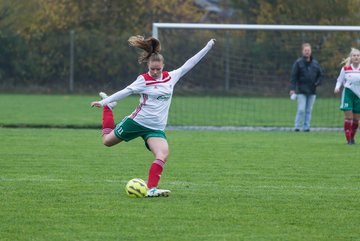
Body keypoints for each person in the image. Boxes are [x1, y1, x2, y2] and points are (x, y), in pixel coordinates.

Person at [91, 36, 216, 197]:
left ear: (163, 66)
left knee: (163, 153)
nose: (155, 72)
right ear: (148, 66)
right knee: (107, 141)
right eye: (152, 69)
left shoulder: (171, 77)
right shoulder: (143, 80)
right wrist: (104, 102)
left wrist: (207, 47)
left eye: (158, 69)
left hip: (155, 128)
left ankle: (151, 189)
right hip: (136, 122)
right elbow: (125, 91)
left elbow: (189, 64)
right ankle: (108, 107)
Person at [289, 43, 323, 132]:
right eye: (305, 50)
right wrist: (292, 89)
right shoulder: (298, 63)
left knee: (309, 110)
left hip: (312, 91)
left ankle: (306, 127)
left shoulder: (315, 63)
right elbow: (293, 76)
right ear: (302, 51)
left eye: (308, 50)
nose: (307, 52)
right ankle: (297, 126)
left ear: (311, 51)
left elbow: (320, 75)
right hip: (301, 91)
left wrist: (317, 83)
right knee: (301, 109)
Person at [334, 48, 360, 145]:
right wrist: (337, 87)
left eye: (358, 55)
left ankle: (352, 138)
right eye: (354, 55)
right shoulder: (345, 68)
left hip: (359, 96)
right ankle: (348, 139)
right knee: (349, 118)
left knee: (356, 119)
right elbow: (339, 80)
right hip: (348, 94)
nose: (356, 57)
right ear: (351, 57)